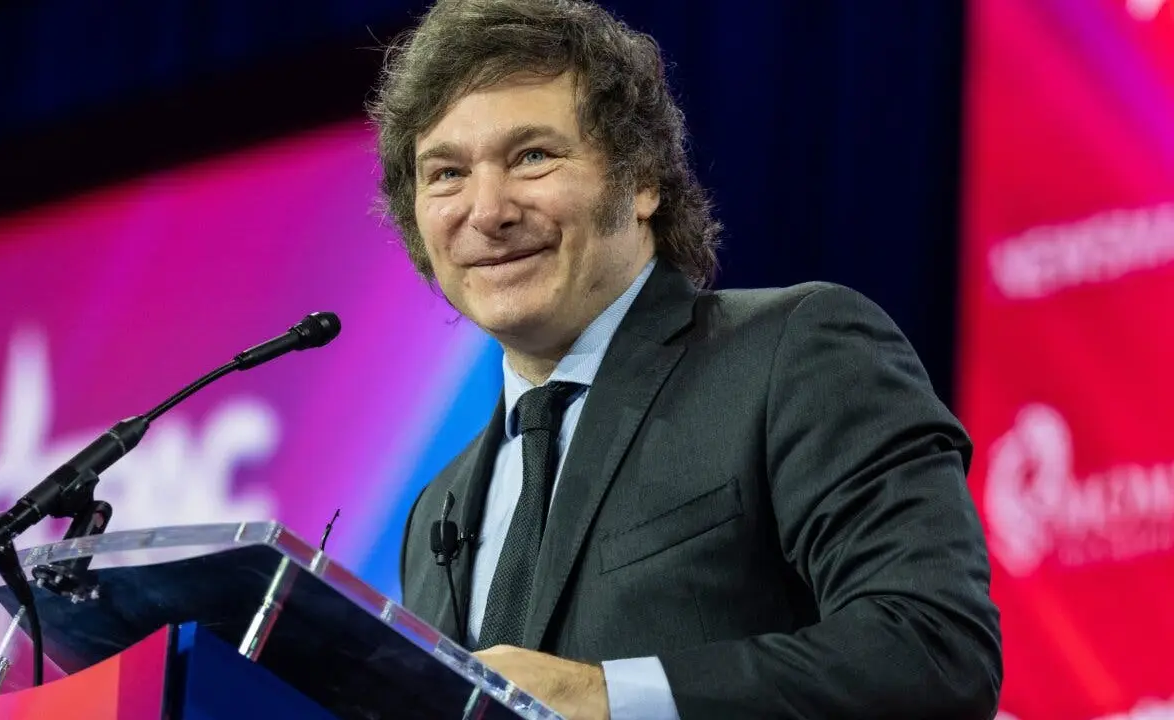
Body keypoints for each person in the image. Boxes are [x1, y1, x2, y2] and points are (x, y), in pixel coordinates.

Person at [369, 0, 1002, 718]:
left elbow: (935, 653)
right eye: (446, 173)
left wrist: (605, 696)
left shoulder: (794, 352)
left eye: (533, 156)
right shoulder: (436, 513)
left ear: (642, 181)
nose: (487, 210)